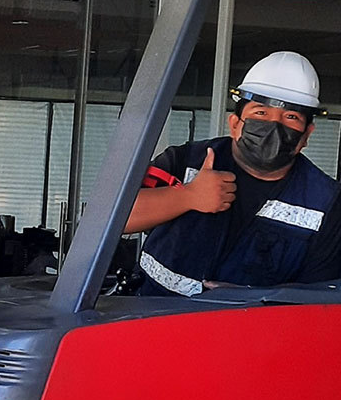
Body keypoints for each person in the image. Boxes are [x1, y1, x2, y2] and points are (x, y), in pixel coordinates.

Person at [125, 52, 341, 295]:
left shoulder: (327, 203)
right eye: (261, 113)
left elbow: (320, 293)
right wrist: (188, 197)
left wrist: (247, 299)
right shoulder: (185, 160)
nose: (274, 126)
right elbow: (116, 221)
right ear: (235, 123)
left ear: (306, 135)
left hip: (246, 330)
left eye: (291, 117)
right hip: (148, 321)